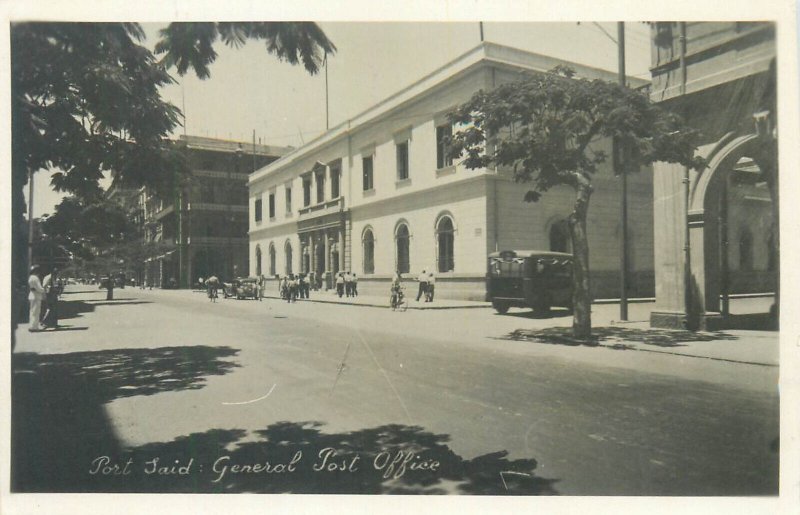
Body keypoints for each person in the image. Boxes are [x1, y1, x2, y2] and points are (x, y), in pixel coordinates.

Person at [27, 265, 45, 332]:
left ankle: (31, 326)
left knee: (32, 312)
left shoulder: (30, 277)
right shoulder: (36, 278)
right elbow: (39, 288)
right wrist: (44, 289)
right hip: (36, 296)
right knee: (36, 312)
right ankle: (34, 327)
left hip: (31, 295)